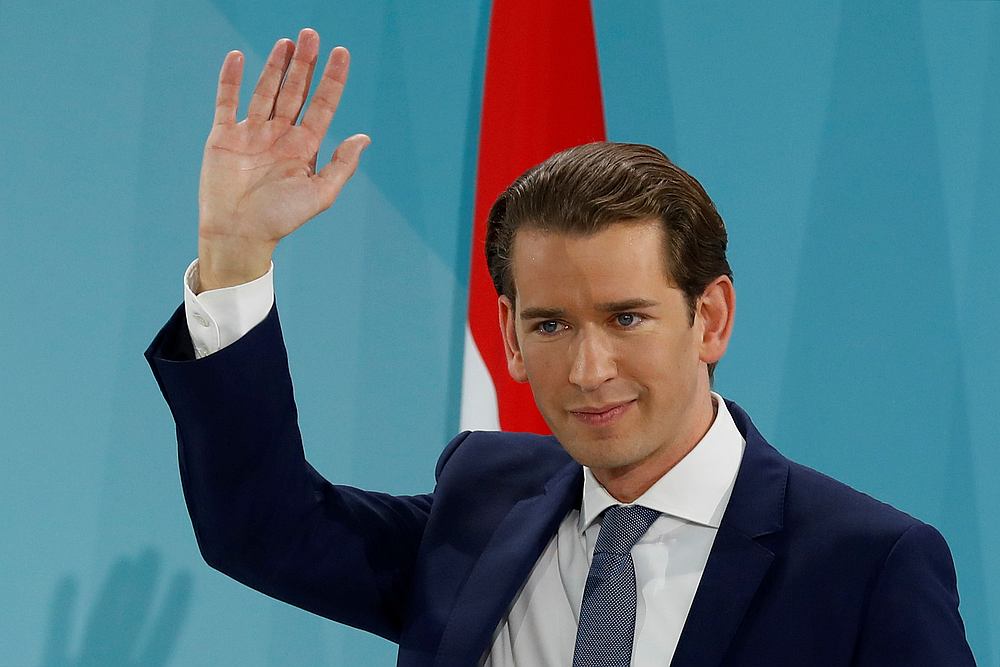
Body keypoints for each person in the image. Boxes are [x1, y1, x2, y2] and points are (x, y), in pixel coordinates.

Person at [145, 28, 976, 666]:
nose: (588, 370)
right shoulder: (482, 499)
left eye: (626, 318)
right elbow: (261, 527)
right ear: (508, 333)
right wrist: (233, 254)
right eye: (550, 324)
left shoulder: (867, 564)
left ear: (711, 317)